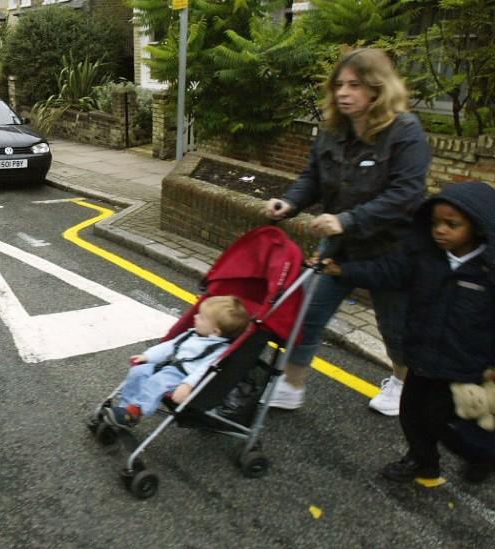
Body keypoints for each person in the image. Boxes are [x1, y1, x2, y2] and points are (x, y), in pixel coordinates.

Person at [261, 48, 431, 415]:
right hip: (339, 247)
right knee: (307, 313)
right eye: (339, 84)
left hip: (393, 250)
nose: (343, 92)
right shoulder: (333, 130)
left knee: (394, 327)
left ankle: (401, 383)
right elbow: (313, 178)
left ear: (376, 87)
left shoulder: (405, 132)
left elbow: (407, 193)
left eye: (354, 84)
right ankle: (291, 385)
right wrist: (289, 203)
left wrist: (348, 219)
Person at [321, 181, 495, 484]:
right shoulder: (424, 256)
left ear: (478, 227)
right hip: (421, 355)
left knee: (449, 423)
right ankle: (422, 461)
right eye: (435, 223)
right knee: (412, 416)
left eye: (451, 225)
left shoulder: (487, 271)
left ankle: (481, 456)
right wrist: (344, 271)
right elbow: (387, 272)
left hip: (463, 366)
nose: (440, 230)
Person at [104, 296, 250, 428]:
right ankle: (125, 407)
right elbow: (170, 346)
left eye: (202, 317)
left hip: (182, 377)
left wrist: (187, 385)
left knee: (157, 382)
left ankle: (135, 412)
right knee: (137, 372)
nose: (196, 317)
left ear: (215, 332)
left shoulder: (218, 349)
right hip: (167, 366)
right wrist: (148, 356)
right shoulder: (192, 334)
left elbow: (204, 369)